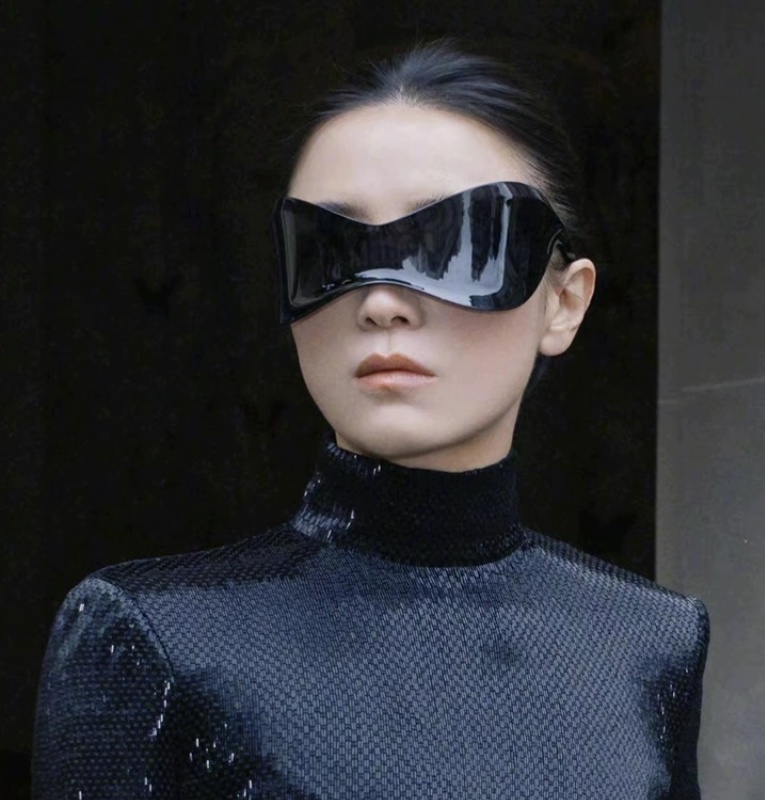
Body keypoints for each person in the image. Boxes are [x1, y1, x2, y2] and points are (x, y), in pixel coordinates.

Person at [32, 40, 709, 799]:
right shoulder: (153, 637)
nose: (382, 301)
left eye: (454, 246)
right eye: (330, 250)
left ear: (565, 302)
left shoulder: (651, 640)